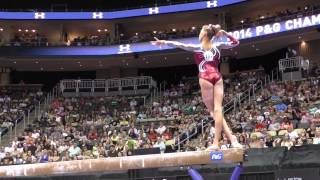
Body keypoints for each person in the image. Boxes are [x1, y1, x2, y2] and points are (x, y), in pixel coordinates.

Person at [151, 24, 242, 150]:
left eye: (200, 32)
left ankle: (218, 143)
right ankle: (232, 139)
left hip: (205, 78)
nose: (198, 34)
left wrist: (164, 42)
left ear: (204, 34)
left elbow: (178, 44)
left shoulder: (196, 47)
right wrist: (225, 34)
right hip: (218, 76)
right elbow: (236, 42)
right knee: (218, 110)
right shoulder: (218, 46)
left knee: (213, 112)